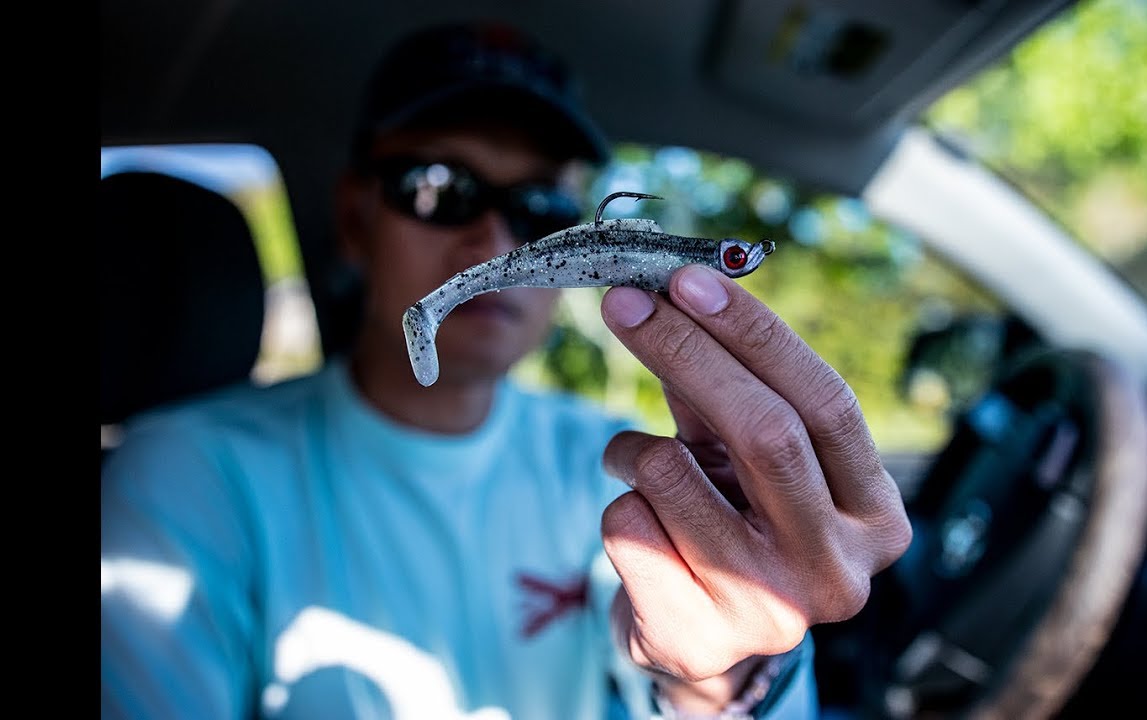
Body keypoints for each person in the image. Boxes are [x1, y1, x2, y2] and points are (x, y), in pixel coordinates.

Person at [100, 20, 913, 720]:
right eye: (438, 189)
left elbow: (690, 667)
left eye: (539, 208)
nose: (491, 242)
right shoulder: (180, 479)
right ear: (355, 218)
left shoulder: (639, 465)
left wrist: (729, 674)